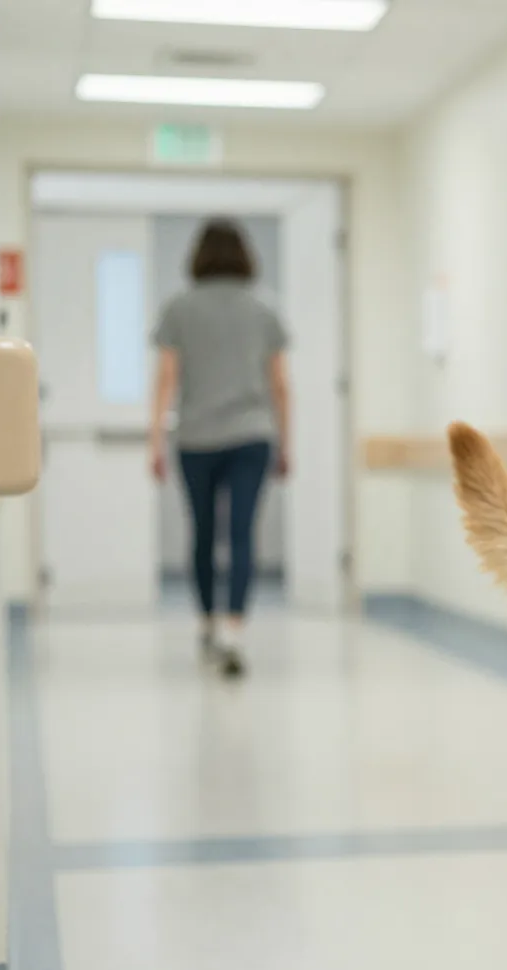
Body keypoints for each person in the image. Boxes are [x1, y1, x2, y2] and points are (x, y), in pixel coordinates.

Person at [147, 217, 291, 678]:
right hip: (253, 435)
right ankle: (234, 633)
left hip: (195, 439)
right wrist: (285, 443)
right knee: (244, 533)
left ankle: (208, 624)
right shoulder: (264, 309)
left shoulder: (179, 308)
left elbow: (166, 380)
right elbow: (281, 386)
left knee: (204, 534)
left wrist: (154, 440)